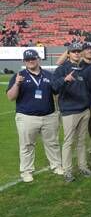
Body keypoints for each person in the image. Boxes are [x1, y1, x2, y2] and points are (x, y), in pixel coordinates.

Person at [6, 49, 63, 182]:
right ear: (24, 61)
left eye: (33, 58)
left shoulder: (49, 75)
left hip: (49, 115)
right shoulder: (18, 76)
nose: (30, 61)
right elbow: (10, 97)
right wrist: (17, 83)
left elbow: (56, 93)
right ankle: (26, 171)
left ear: (38, 59)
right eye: (27, 59)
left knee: (52, 143)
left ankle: (56, 165)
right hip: (27, 116)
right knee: (27, 145)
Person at [52, 42, 91, 182]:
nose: (76, 53)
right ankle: (68, 170)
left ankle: (83, 166)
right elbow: (54, 88)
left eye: (78, 51)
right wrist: (65, 79)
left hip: (84, 109)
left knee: (82, 141)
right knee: (69, 142)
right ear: (68, 53)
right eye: (73, 51)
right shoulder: (62, 69)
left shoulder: (83, 68)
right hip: (69, 111)